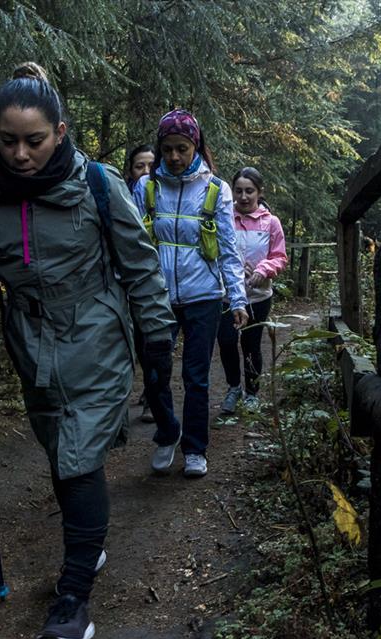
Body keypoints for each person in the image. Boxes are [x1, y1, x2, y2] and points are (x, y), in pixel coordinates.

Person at [0, 63, 175, 639]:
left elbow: (139, 262)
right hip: (30, 338)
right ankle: (87, 543)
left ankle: (73, 599)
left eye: (35, 140)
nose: (20, 153)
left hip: (95, 330)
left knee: (77, 457)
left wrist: (155, 336)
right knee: (57, 447)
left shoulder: (97, 184)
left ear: (61, 132)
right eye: (8, 140)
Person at [132, 109, 248, 478]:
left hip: (204, 297)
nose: (174, 157)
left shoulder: (216, 189)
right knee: (155, 370)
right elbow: (132, 244)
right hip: (158, 297)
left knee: (196, 375)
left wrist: (238, 297)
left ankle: (195, 447)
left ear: (195, 145)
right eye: (167, 149)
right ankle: (167, 431)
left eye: (181, 148)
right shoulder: (146, 188)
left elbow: (229, 248)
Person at [218, 167, 288, 414]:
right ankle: (233, 387)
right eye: (239, 191)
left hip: (258, 296)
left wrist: (264, 269)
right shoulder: (223, 218)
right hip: (225, 295)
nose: (244, 196)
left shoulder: (271, 222)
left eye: (249, 191)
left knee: (251, 344)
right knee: (226, 342)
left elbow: (279, 256)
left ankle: (252, 393)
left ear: (259, 192)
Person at [124, 143, 158, 424]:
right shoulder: (118, 196)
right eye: (139, 166)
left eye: (151, 166)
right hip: (124, 281)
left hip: (155, 281)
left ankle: (151, 394)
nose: (146, 172)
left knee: (150, 341)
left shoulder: (167, 197)